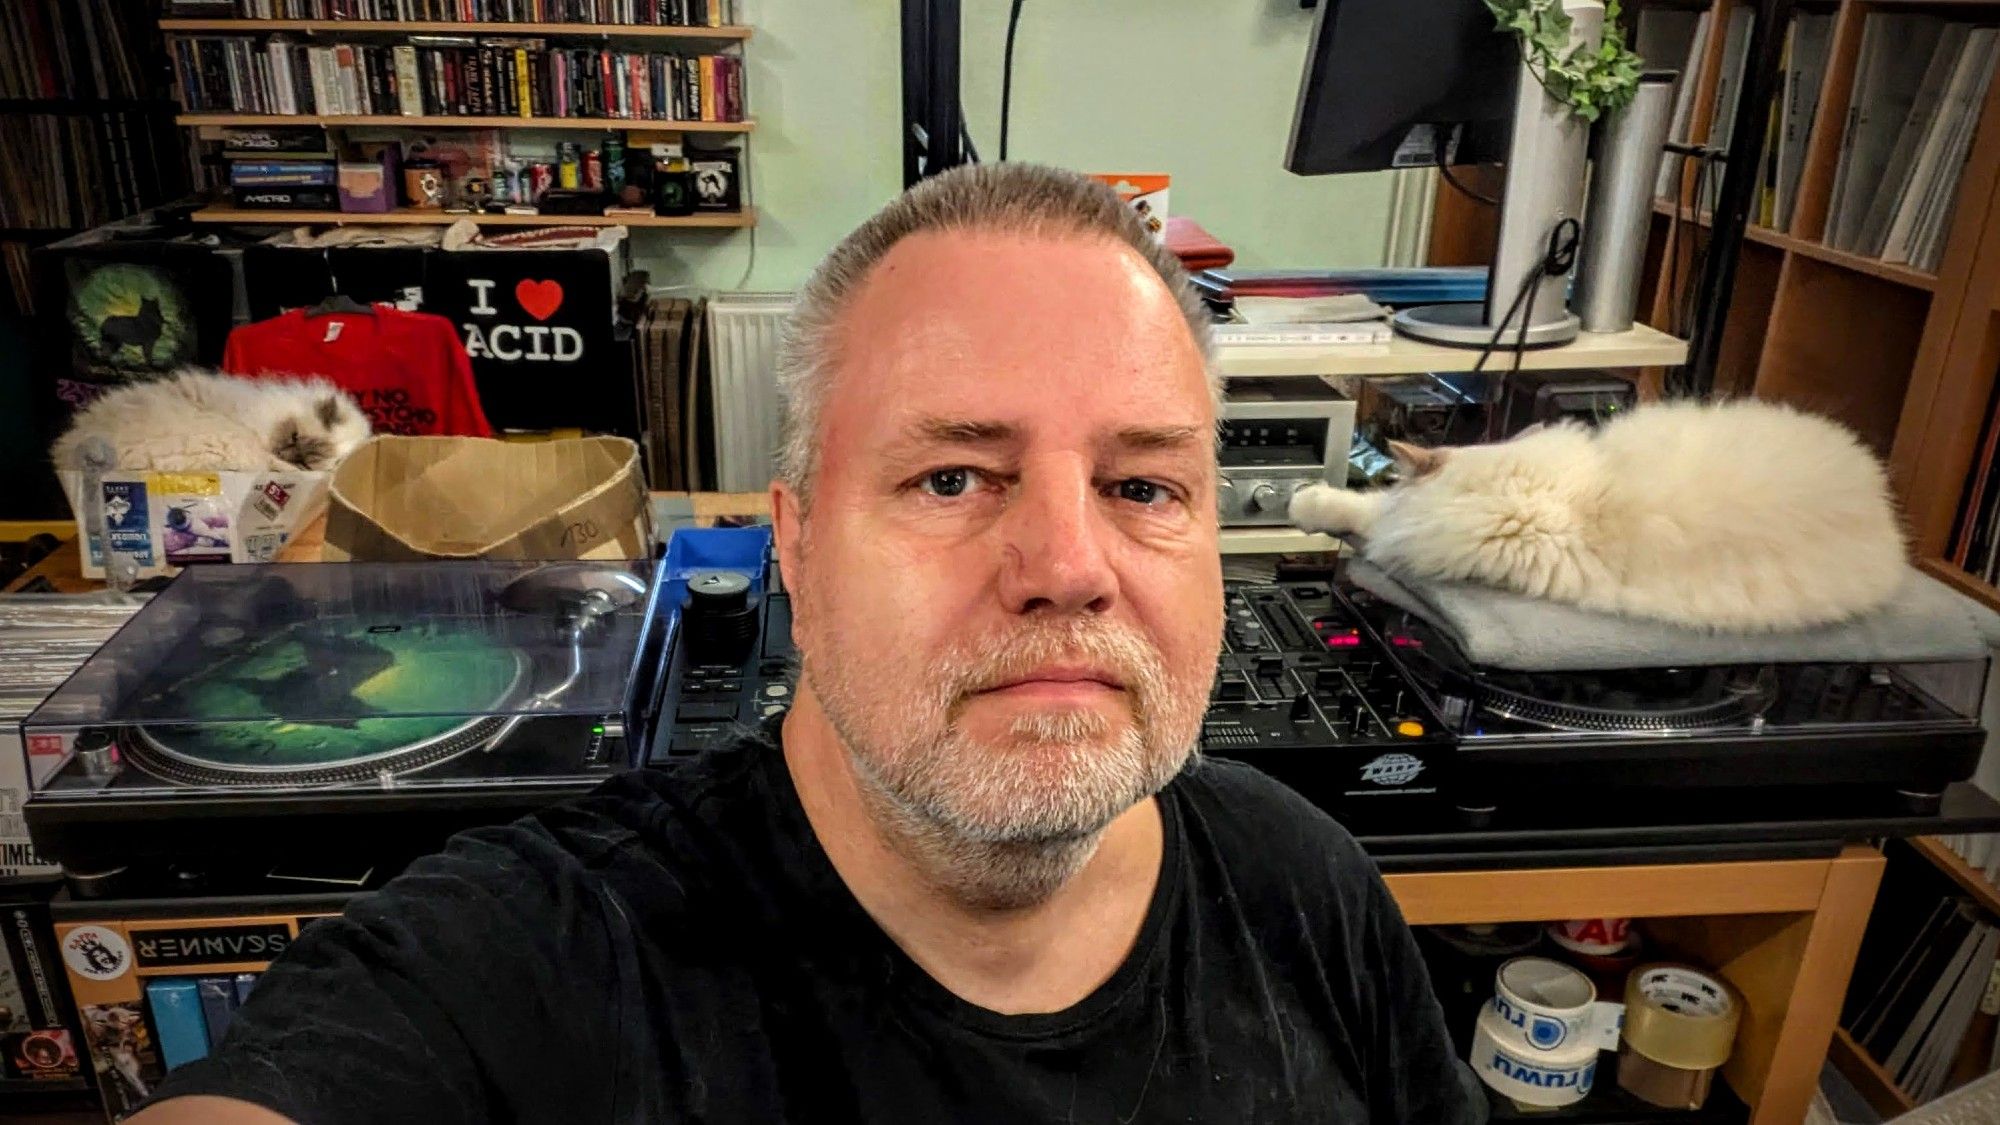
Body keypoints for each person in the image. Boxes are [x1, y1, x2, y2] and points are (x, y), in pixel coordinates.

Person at [133, 163, 1485, 1124]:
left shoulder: (1310, 891)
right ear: (794, 546)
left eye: (1144, 487)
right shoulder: (542, 961)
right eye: (953, 477)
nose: (1070, 568)